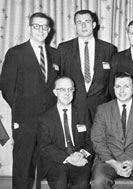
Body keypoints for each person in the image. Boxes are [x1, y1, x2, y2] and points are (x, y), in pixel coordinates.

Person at [0, 12, 60, 189]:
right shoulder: (16, 53)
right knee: (23, 165)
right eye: (37, 26)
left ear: (49, 30)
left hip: (50, 120)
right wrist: (21, 109)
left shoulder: (55, 54)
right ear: (29, 28)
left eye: (45, 27)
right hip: (25, 119)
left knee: (44, 164)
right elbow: (6, 87)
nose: (41, 30)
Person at [91, 72, 133, 189]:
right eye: (118, 86)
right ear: (113, 89)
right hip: (108, 160)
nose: (121, 90)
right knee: (98, 181)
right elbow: (97, 141)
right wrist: (113, 163)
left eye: (126, 86)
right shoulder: (103, 109)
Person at [58, 10, 117, 123]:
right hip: (73, 106)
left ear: (94, 25)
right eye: (79, 22)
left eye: (87, 21)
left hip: (101, 108)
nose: (83, 25)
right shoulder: (63, 49)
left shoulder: (108, 49)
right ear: (75, 26)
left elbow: (112, 81)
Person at [37, 76, 93, 189]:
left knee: (82, 185)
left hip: (80, 159)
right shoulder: (45, 117)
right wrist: (68, 158)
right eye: (62, 89)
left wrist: (81, 154)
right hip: (56, 161)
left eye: (70, 89)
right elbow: (44, 147)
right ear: (55, 92)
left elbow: (91, 139)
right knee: (59, 184)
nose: (67, 93)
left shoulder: (83, 113)